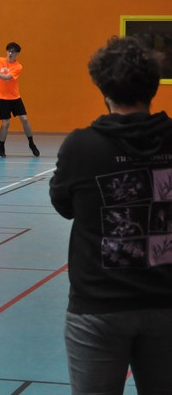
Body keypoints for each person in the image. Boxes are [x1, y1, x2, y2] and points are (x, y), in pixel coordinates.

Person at [49, 36, 172, 395]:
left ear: (103, 89)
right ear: (154, 87)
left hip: (98, 308)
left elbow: (63, 206)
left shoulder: (81, 145)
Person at [0, 42, 40, 158]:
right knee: (6, 123)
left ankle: (31, 144)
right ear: (6, 51)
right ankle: (1, 147)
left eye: (14, 52)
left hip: (15, 97)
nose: (11, 53)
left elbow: (6, 78)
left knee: (24, 119)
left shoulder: (18, 66)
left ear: (17, 54)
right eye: (9, 51)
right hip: (1, 98)